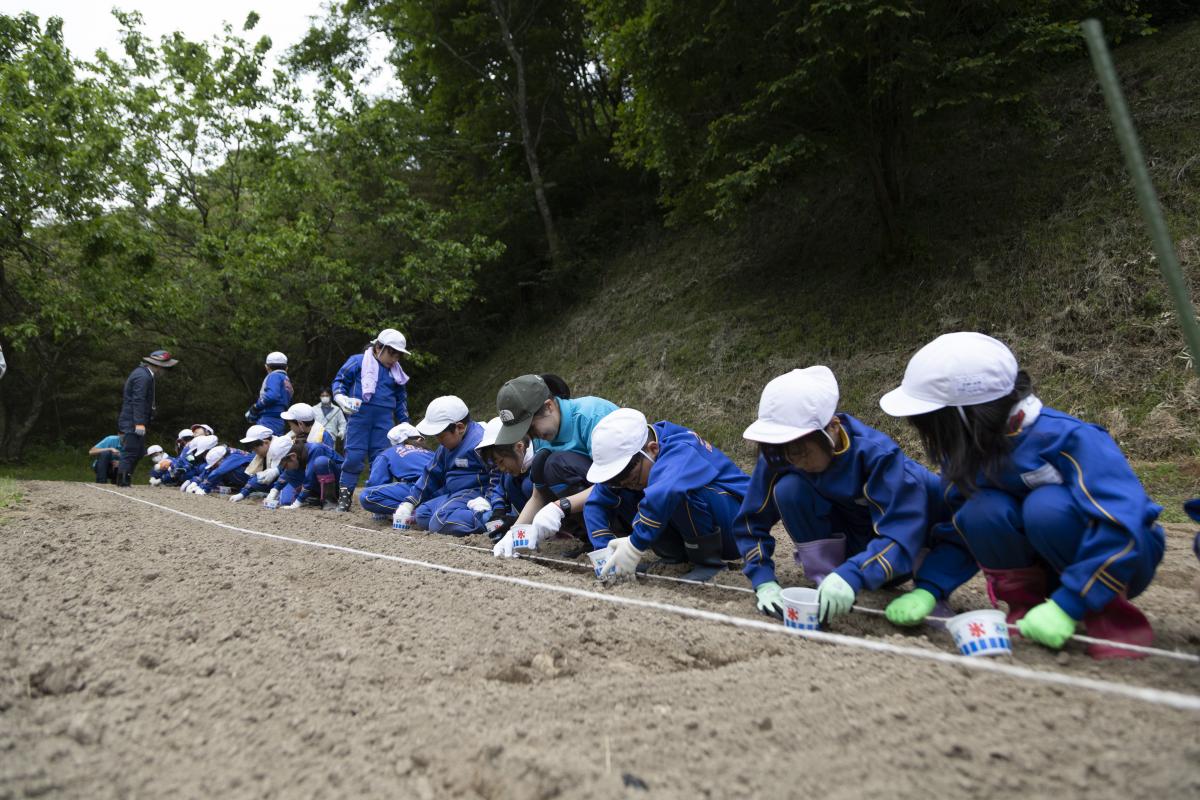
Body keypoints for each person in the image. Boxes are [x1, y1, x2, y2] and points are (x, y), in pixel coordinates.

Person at [880, 332, 1165, 659]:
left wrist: (1070, 603)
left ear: (965, 414)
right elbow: (961, 529)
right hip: (1049, 567)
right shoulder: (965, 454)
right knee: (980, 509)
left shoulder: (1071, 440)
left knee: (1047, 507)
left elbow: (1120, 525)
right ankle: (1024, 609)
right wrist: (930, 588)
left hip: (1119, 563)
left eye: (932, 422)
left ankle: (1108, 617)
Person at [734, 367, 976, 625]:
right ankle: (827, 584)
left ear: (833, 428)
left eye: (802, 450)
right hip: (852, 548)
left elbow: (901, 532)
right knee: (789, 488)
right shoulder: (781, 454)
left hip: (899, 555)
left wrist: (853, 574)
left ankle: (914, 588)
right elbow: (751, 522)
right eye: (784, 451)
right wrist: (763, 580)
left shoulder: (879, 457)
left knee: (932, 497)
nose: (794, 459)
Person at [584, 408, 749, 580]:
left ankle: (709, 563)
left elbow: (666, 491)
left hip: (738, 528)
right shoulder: (635, 464)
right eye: (617, 479)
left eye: (630, 477)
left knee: (675, 490)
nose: (626, 483)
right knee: (632, 491)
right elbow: (595, 504)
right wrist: (605, 552)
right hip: (700, 522)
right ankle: (674, 558)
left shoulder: (681, 447)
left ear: (653, 449)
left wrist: (633, 547)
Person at [493, 374, 617, 540]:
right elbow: (538, 495)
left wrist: (560, 506)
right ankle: (591, 538)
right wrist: (514, 534)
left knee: (556, 464)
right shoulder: (543, 437)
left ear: (549, 406)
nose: (531, 437)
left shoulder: (592, 417)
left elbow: (616, 481)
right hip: (601, 495)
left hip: (628, 496)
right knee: (542, 464)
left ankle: (614, 533)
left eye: (530, 428)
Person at [331, 328, 412, 512]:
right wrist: (340, 397)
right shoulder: (358, 361)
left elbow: (401, 401)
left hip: (384, 419)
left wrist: (405, 423)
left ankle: (377, 499)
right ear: (378, 348)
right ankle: (345, 498)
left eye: (398, 355)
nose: (394, 359)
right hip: (359, 416)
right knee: (354, 455)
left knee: (381, 458)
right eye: (392, 353)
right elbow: (340, 381)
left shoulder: (397, 373)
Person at [489, 423, 595, 556]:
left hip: (587, 493)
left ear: (519, 446)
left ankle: (588, 534)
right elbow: (536, 497)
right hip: (557, 510)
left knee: (536, 480)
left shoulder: (545, 449)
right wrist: (513, 531)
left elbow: (538, 495)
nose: (501, 469)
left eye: (501, 461)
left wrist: (558, 508)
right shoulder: (515, 473)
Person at [392, 396, 490, 535]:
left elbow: (498, 475)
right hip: (454, 494)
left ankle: (486, 519)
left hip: (476, 494)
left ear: (459, 427)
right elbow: (431, 474)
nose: (438, 440)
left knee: (439, 521)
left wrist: (490, 500)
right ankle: (459, 516)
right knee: (422, 515)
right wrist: (409, 503)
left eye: (441, 436)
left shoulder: (479, 444)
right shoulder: (445, 447)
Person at [116, 349, 178, 486]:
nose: (166, 371)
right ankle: (122, 481)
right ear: (158, 365)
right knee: (131, 451)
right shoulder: (143, 376)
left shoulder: (145, 374)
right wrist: (139, 422)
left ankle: (125, 478)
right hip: (132, 420)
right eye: (165, 367)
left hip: (135, 420)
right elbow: (138, 400)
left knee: (138, 452)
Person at [358, 423, 435, 516]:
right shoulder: (431, 452)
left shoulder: (389, 453)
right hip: (442, 489)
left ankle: (414, 511)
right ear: (419, 439)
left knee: (367, 496)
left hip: (417, 488)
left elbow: (376, 482)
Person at [274, 435, 344, 510]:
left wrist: (297, 503)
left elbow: (310, 478)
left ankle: (330, 500)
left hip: (339, 483)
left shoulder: (316, 449)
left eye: (286, 466)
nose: (286, 469)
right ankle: (314, 498)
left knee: (321, 462)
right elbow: (285, 475)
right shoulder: (298, 455)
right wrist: (273, 492)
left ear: (293, 456)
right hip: (320, 482)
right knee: (291, 471)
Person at [244, 352, 293, 435]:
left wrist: (256, 407)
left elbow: (272, 396)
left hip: (268, 419)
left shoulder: (274, 376)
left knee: (263, 445)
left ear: (267, 367)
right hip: (279, 419)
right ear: (286, 368)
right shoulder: (286, 380)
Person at [229, 425, 279, 502]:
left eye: (255, 448)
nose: (253, 451)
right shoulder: (263, 453)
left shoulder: (279, 450)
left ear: (266, 442)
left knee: (286, 500)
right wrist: (243, 493)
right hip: (277, 484)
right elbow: (255, 477)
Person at [185, 445, 253, 495]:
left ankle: (253, 490)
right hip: (246, 481)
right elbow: (210, 470)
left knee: (227, 471)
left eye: (215, 464)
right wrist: (195, 482)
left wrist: (203, 487)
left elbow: (219, 471)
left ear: (221, 459)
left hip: (256, 480)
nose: (215, 467)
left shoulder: (234, 456)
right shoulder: (225, 455)